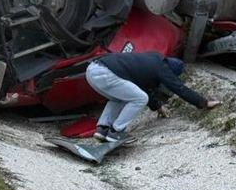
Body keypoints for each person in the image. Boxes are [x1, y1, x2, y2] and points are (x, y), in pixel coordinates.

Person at [85, 53, 221, 143]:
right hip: (105, 73)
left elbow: (141, 88)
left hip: (92, 70)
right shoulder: (162, 68)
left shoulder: (152, 59)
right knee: (140, 99)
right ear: (171, 70)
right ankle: (116, 131)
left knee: (120, 98)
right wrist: (204, 103)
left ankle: (103, 129)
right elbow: (179, 88)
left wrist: (158, 107)